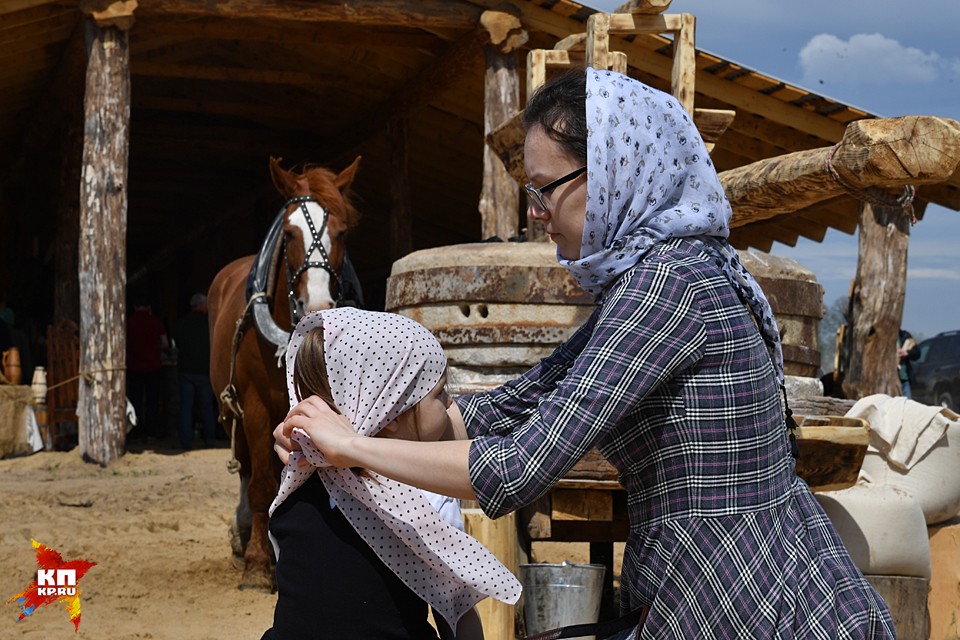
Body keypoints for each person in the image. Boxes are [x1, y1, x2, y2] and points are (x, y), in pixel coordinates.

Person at [275, 68, 895, 638]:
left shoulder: (674, 286)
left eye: (546, 190)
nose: (539, 214)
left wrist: (353, 447)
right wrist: (352, 421)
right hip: (706, 594)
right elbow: (522, 402)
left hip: (751, 608)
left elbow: (518, 468)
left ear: (610, 176)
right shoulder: (657, 278)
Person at [261, 308, 518, 640]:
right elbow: (457, 612)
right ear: (394, 412)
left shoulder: (302, 474)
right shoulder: (425, 493)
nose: (451, 401)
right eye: (439, 394)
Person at [174, 293, 218, 449]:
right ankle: (210, 439)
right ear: (201, 305)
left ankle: (186, 440)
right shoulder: (210, 324)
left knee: (186, 407)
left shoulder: (180, 323)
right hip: (204, 371)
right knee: (206, 407)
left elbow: (176, 344)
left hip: (186, 370)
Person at [127, 298, 169, 442]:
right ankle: (152, 430)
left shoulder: (129, 322)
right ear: (149, 306)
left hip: (134, 366)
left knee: (136, 400)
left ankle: (137, 430)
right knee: (153, 401)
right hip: (153, 366)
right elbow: (165, 343)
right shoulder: (156, 322)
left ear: (135, 306)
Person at [897, 328, 919, 398]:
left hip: (904, 379)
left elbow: (917, 353)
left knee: (907, 405)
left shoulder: (904, 335)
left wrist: (907, 353)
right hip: (890, 379)